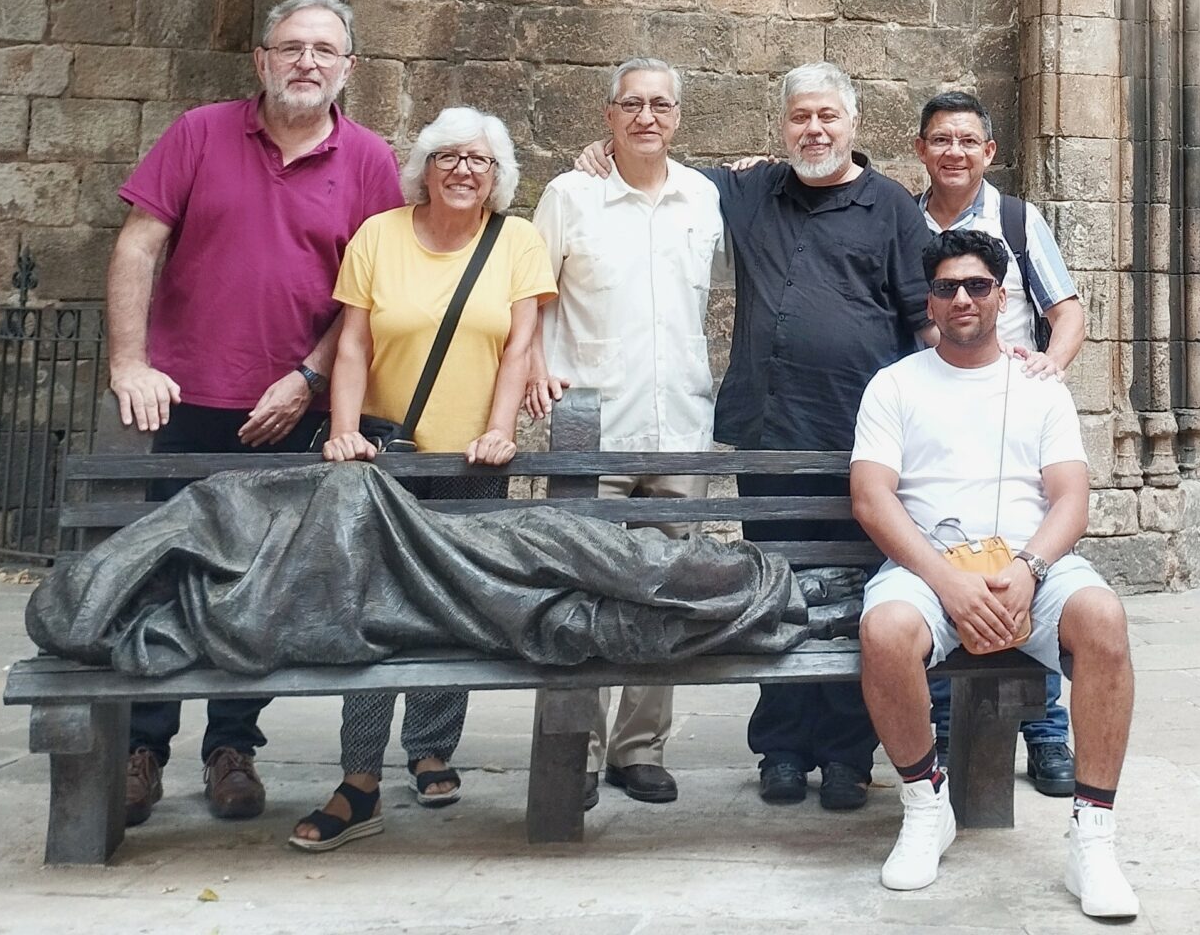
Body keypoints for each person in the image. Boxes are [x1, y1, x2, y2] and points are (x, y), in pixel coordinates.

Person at [105, 0, 405, 829]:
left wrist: (308, 382)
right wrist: (130, 361)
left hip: (290, 411)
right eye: (291, 46)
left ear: (349, 68)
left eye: (324, 50)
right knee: (162, 577)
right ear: (262, 59)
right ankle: (142, 745)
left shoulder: (371, 159)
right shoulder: (199, 132)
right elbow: (138, 242)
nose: (306, 62)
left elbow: (368, 295)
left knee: (262, 589)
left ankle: (231, 746)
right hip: (184, 399)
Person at [852, 228, 1140, 921]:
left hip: (1029, 566)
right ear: (931, 299)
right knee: (885, 629)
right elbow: (871, 497)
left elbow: (1071, 497)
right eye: (948, 287)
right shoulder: (895, 385)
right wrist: (946, 580)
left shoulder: (1039, 386)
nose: (962, 299)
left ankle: (1093, 838)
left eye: (977, 286)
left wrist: (1030, 567)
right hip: (928, 570)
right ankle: (926, 805)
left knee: (1104, 618)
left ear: (1001, 297)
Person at [286, 107, 553, 853]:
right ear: (425, 169)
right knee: (372, 611)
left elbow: (519, 346)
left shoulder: (518, 241)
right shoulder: (380, 236)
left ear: (497, 177)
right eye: (448, 158)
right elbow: (353, 345)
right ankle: (359, 775)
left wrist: (502, 430)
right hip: (383, 457)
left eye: (480, 160)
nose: (464, 171)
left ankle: (433, 747)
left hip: (471, 460)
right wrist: (342, 429)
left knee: (455, 606)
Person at [713, 63, 934, 811]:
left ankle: (846, 754)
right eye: (801, 117)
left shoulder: (893, 207)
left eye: (828, 116)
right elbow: (657, 181)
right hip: (769, 428)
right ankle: (781, 746)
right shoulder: (749, 192)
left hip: (860, 435)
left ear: (853, 124)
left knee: (852, 593)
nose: (815, 129)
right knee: (777, 584)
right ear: (782, 127)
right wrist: (596, 156)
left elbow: (920, 316)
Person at [527, 57, 723, 809]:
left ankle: (640, 749)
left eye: (661, 105)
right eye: (631, 104)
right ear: (607, 115)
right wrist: (539, 373)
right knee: (580, 593)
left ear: (678, 117)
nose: (647, 117)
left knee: (668, 593)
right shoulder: (570, 196)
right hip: (593, 428)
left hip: (680, 427)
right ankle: (573, 748)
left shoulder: (703, 198)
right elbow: (533, 297)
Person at [913, 88, 1085, 796]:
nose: (953, 152)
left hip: (1015, 415)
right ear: (921, 149)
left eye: (967, 142)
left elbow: (1065, 311)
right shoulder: (901, 217)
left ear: (988, 152)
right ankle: (948, 729)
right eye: (940, 140)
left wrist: (1050, 370)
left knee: (1026, 563)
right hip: (940, 411)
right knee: (951, 553)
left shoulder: (1017, 219)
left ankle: (1045, 734)